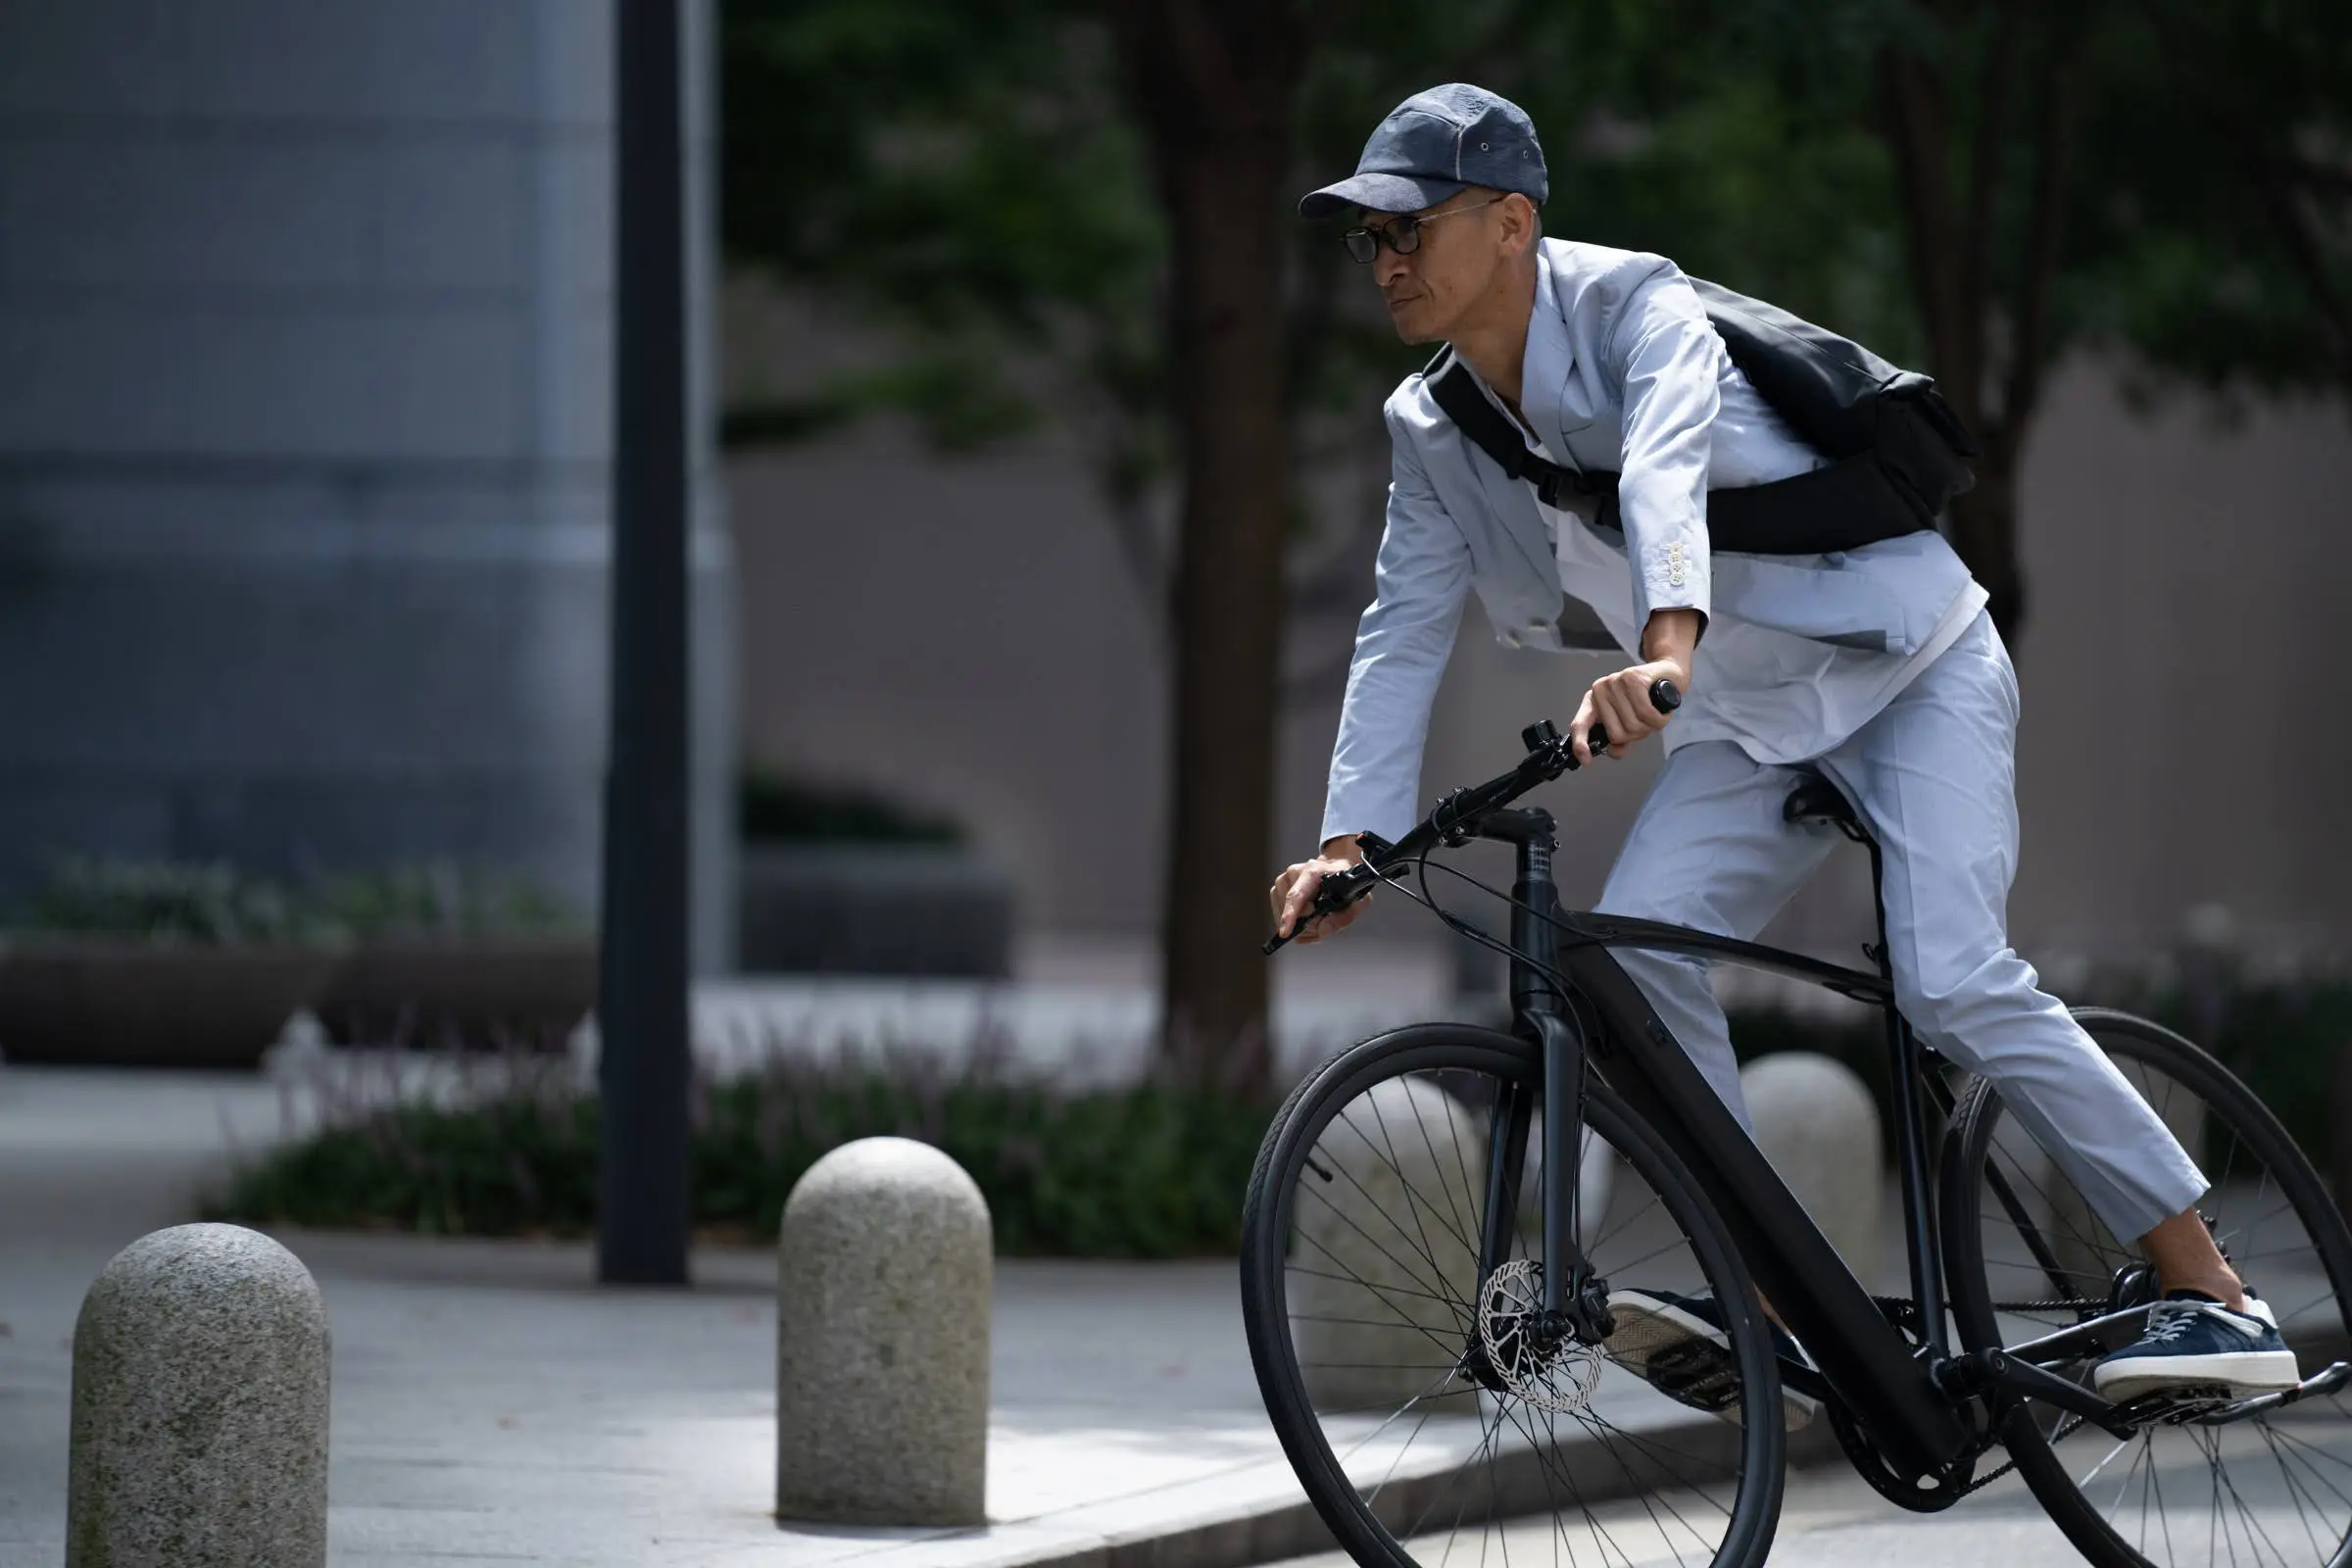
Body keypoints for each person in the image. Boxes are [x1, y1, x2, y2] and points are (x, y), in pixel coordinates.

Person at [1268, 82, 2297, 1416]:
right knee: (1633, 959)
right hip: (1750, 722)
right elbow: (1401, 626)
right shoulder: (1432, 425)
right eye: (1370, 239)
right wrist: (1352, 842)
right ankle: (1779, 1309)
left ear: (1512, 223)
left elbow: (1666, 471)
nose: (1388, 260)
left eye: (1411, 227)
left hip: (1904, 665)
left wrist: (1666, 650)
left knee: (1952, 977)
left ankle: (2212, 1292)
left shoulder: (1641, 308)